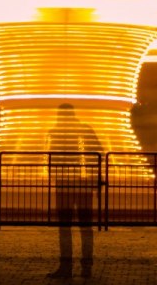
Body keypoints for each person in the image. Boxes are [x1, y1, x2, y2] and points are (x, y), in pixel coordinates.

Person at [45, 103, 103, 279]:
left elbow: (50, 156)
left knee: (65, 226)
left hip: (64, 184)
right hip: (82, 185)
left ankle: (66, 266)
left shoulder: (55, 132)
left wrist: (53, 173)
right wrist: (92, 177)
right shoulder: (84, 129)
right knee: (85, 226)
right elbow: (98, 151)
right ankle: (86, 265)